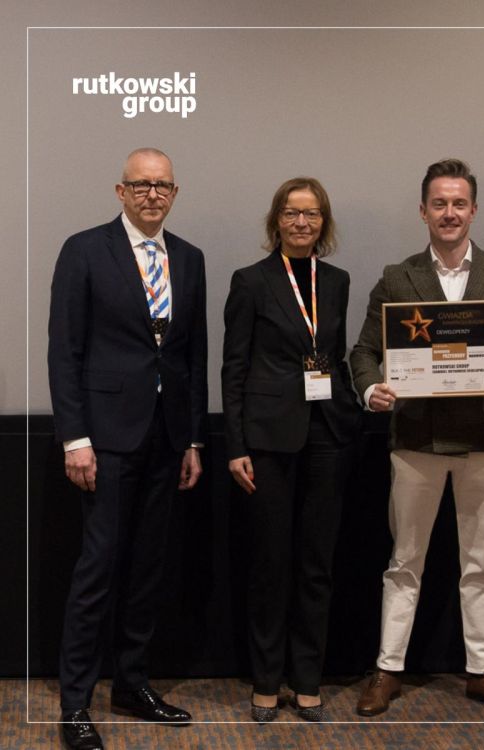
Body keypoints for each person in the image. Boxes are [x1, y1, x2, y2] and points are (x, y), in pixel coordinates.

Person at [350, 158, 484, 718]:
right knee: (404, 562)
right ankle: (388, 670)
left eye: (459, 203)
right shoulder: (397, 277)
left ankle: (483, 673)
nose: (449, 213)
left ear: (474, 210)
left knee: (481, 566)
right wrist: (370, 389)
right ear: (423, 211)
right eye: (439, 203)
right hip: (415, 441)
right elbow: (364, 351)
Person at [48, 148, 208, 750]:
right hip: (106, 440)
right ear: (120, 191)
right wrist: (76, 438)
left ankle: (131, 684)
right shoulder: (85, 250)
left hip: (167, 439)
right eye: (140, 185)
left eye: (162, 185)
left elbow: (193, 357)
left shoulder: (188, 258)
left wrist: (193, 438)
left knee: (146, 569)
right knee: (97, 570)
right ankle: (75, 704)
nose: (151, 194)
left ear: (174, 192)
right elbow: (64, 350)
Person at [221, 177, 360, 722]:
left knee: (317, 564)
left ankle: (307, 679)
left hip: (328, 433)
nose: (302, 222)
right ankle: (265, 679)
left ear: (324, 222)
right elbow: (234, 366)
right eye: (291, 212)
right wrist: (235, 444)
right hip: (267, 438)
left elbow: (335, 355)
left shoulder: (337, 281)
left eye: (312, 213)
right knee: (271, 563)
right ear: (276, 220)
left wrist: (353, 408)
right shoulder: (251, 281)